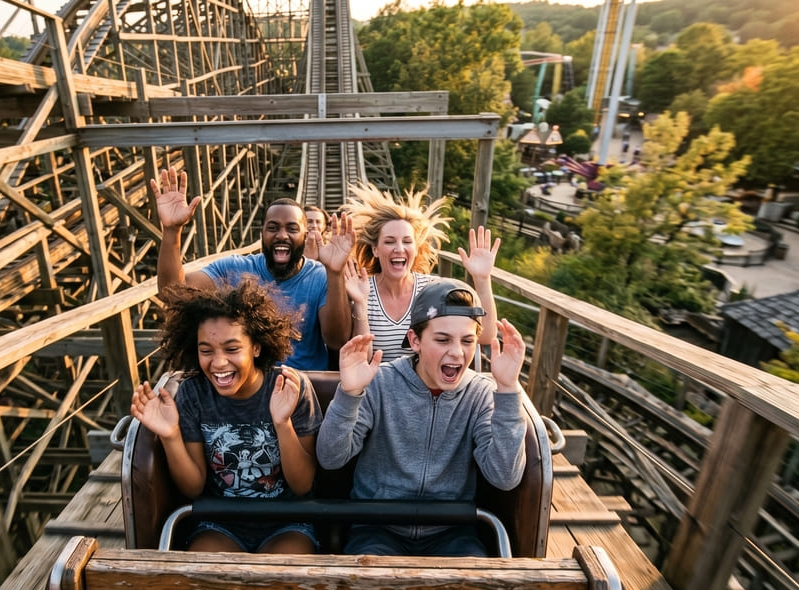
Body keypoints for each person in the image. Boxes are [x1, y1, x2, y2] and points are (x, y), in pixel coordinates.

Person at [316, 278, 527, 557]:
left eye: (467, 341)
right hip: (377, 528)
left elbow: (505, 477)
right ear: (415, 340)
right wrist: (349, 392)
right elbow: (331, 457)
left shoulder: (480, 394)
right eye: (442, 340)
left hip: (452, 531)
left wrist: (509, 390)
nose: (457, 352)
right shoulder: (381, 383)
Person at [130, 278, 323, 553]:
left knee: (281, 577)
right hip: (219, 522)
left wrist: (282, 423)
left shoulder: (290, 388)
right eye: (206, 351)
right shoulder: (193, 394)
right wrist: (170, 435)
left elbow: (302, 485)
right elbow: (194, 488)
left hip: (288, 521)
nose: (218, 363)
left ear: (256, 347)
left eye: (232, 349)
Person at [153, 167, 352, 370]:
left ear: (305, 235)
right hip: (248, 384)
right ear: (261, 234)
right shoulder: (235, 268)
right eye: (273, 228)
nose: (282, 235)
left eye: (292, 229)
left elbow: (337, 341)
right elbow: (173, 293)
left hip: (305, 383)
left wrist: (335, 273)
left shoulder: (320, 276)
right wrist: (172, 231)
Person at [341, 183, 501, 362]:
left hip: (425, 386)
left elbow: (486, 336)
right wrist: (360, 303)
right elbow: (362, 360)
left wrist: (482, 278)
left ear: (416, 249)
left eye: (407, 242)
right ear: (376, 250)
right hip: (379, 385)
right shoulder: (362, 290)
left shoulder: (434, 289)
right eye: (389, 241)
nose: (399, 249)